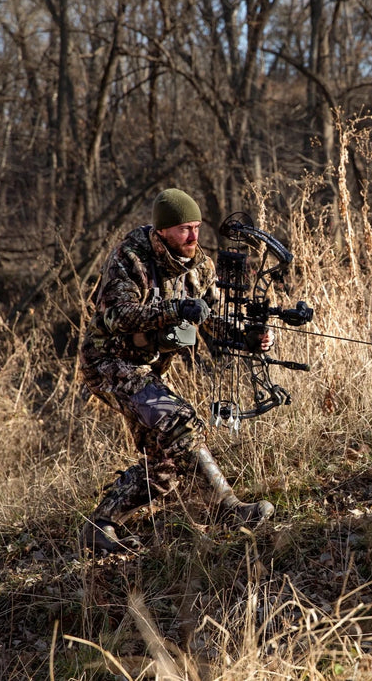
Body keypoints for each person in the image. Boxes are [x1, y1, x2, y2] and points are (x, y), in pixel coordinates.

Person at [79, 188, 274, 554]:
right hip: (108, 362)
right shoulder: (129, 257)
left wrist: (250, 338)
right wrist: (177, 309)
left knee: (167, 463)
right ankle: (230, 509)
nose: (194, 237)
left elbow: (212, 320)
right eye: (185, 229)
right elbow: (116, 315)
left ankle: (100, 525)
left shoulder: (199, 266)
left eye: (197, 227)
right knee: (180, 421)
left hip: (149, 369)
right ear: (163, 231)